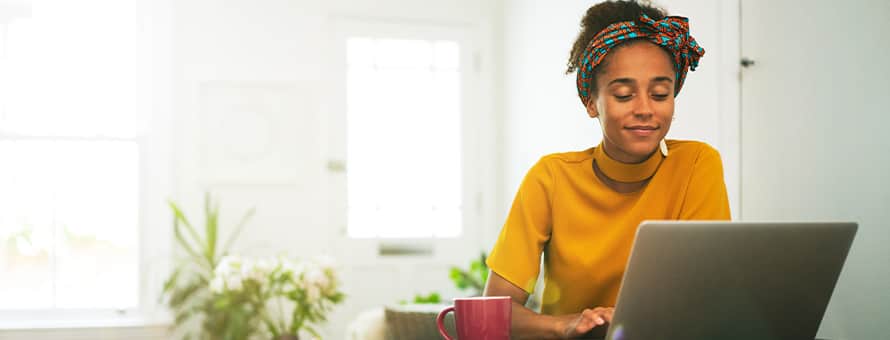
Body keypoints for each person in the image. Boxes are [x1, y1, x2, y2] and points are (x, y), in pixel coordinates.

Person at [483, 1, 731, 338]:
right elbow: (494, 311)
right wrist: (566, 324)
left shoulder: (697, 164)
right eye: (624, 95)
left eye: (660, 93)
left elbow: (708, 297)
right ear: (590, 102)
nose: (645, 109)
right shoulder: (551, 177)